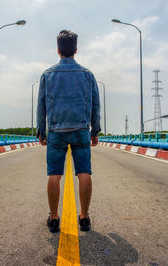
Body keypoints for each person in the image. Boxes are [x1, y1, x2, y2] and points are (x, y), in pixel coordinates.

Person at [37, 30, 101, 233]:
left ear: (58, 50)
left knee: (54, 174)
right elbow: (95, 105)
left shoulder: (47, 74)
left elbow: (41, 106)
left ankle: (54, 219)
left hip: (56, 130)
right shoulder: (88, 74)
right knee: (84, 172)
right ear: (76, 50)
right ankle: (84, 218)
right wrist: (95, 130)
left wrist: (41, 131)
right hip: (81, 129)